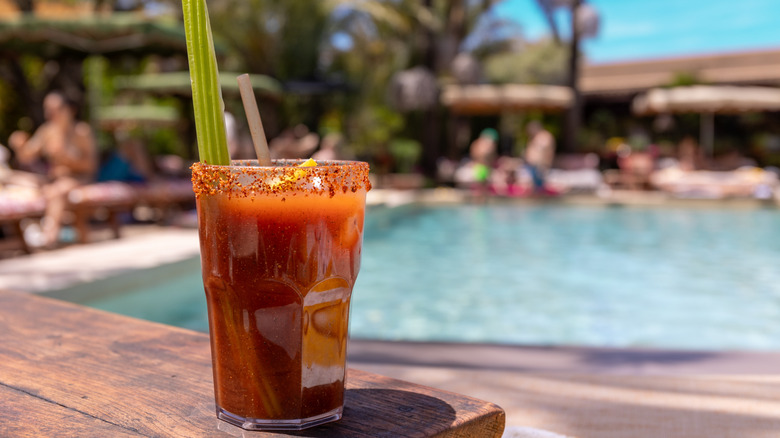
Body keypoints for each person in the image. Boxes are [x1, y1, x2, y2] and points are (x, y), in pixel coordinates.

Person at [8, 91, 97, 248]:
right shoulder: (47, 131)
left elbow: (90, 166)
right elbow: (26, 156)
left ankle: (49, 237)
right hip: (53, 180)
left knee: (57, 191)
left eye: (54, 109)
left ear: (68, 109)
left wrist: (66, 158)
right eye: (47, 109)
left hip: (78, 179)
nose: (50, 114)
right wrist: (19, 144)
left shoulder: (81, 131)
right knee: (18, 181)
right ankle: (32, 233)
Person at [524, 121, 556, 193]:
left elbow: (545, 151)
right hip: (533, 165)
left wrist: (544, 164)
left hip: (540, 165)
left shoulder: (544, 136)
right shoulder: (534, 137)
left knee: (539, 186)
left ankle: (540, 201)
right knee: (534, 185)